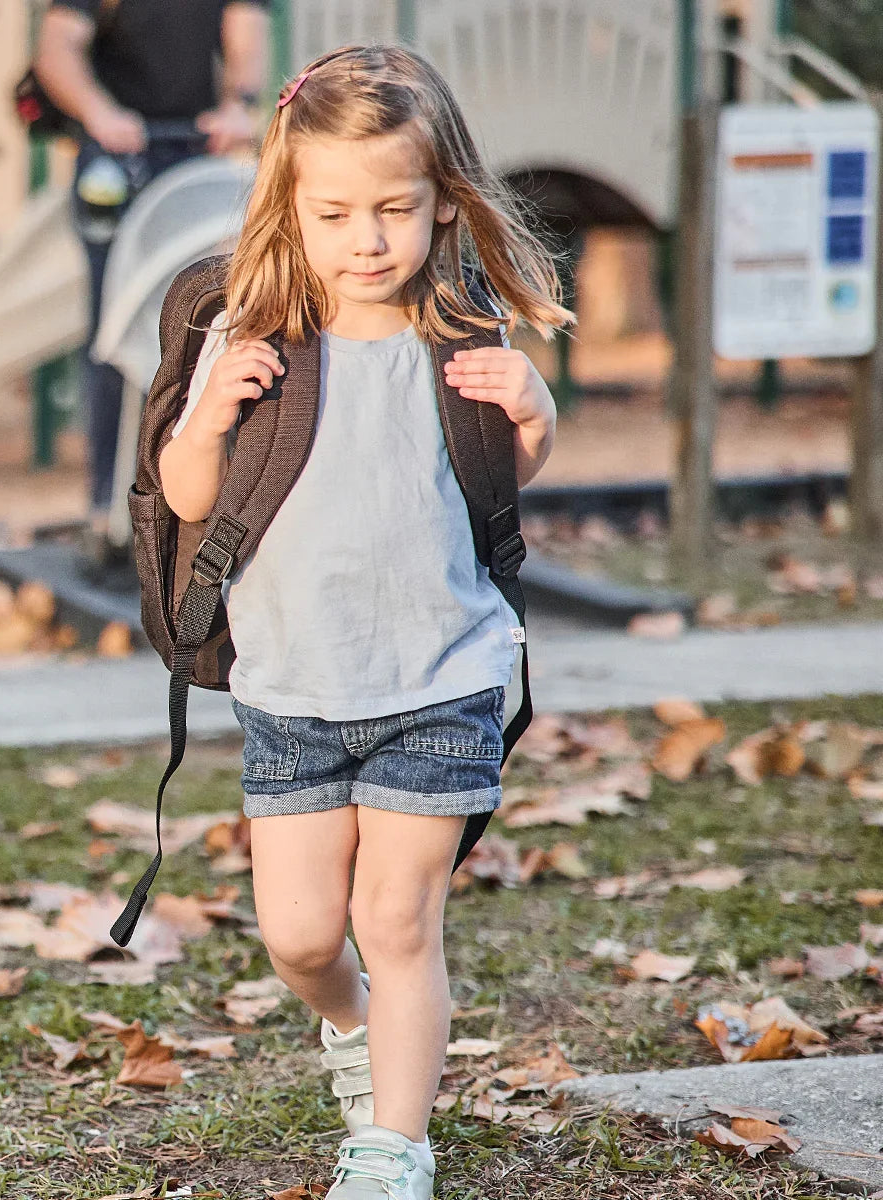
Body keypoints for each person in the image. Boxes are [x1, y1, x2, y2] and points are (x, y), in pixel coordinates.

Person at [158, 44, 573, 1200]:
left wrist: (534, 411)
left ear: (445, 203)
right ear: (292, 208)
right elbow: (191, 495)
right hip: (294, 689)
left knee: (397, 921)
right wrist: (211, 416)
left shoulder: (459, 333)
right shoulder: (254, 339)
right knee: (300, 937)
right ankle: (352, 1026)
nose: (368, 238)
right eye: (335, 212)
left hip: (441, 675)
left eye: (395, 208)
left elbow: (509, 471)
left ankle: (394, 1148)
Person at [34, 0, 271, 568]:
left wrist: (237, 105)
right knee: (115, 335)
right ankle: (108, 509)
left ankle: (203, 505)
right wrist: (99, 114)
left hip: (196, 153)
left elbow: (246, 34)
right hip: (122, 156)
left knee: (207, 327)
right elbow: (57, 49)